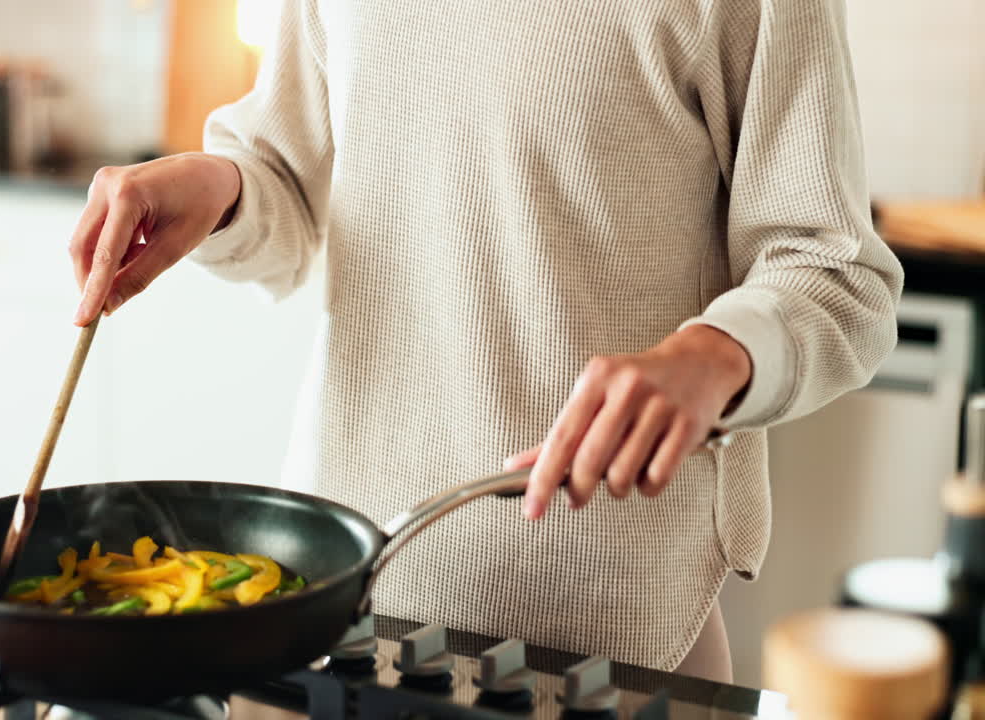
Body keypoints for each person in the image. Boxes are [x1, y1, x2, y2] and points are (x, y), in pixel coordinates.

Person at [67, 0, 901, 682]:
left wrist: (714, 356)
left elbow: (835, 272)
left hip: (614, 627)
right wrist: (223, 183)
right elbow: (287, 175)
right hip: (353, 592)